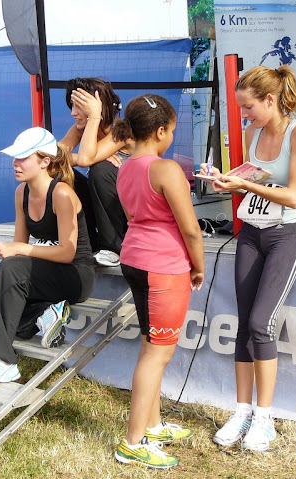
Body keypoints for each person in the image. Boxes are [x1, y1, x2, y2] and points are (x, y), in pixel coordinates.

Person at [201, 65, 296, 451]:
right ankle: (242, 410)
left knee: (261, 323)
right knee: (243, 326)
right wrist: (223, 180)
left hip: (287, 234)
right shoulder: (253, 133)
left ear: (270, 100)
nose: (244, 115)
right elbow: (250, 180)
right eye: (241, 108)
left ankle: (264, 417)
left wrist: (245, 183)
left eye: (248, 107)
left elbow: (294, 195)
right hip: (251, 231)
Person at [0, 127, 95, 388]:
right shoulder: (21, 193)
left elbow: (67, 253)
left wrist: (18, 251)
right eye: (14, 157)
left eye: (23, 158)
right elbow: (20, 244)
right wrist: (15, 249)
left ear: (45, 162)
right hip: (43, 272)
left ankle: (1, 359)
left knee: (12, 267)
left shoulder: (63, 194)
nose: (15, 163)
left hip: (76, 275)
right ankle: (41, 315)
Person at [111, 94, 205, 469]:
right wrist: (198, 266)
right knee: (157, 353)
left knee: (152, 346)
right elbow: (191, 230)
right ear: (162, 131)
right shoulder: (165, 170)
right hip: (163, 266)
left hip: (135, 258)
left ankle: (151, 424)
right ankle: (134, 443)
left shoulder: (125, 166)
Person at [57, 77, 133, 267]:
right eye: (72, 106)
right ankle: (84, 242)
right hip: (101, 206)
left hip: (127, 210)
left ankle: (115, 248)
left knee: (100, 170)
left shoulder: (121, 130)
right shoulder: (79, 129)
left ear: (99, 106)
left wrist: (94, 118)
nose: (73, 113)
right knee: (63, 175)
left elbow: (84, 160)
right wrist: (77, 159)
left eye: (79, 107)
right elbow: (52, 159)